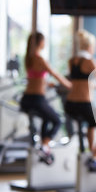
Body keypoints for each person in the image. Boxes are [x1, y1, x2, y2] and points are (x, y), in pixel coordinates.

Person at [64, 29, 96, 172]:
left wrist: (90, 85)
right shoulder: (90, 61)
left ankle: (91, 150)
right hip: (83, 104)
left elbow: (77, 80)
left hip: (70, 104)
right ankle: (94, 158)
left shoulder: (72, 61)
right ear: (91, 47)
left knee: (92, 122)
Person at [20, 32, 72, 165]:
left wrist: (47, 83)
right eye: (44, 41)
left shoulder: (29, 58)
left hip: (26, 99)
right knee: (57, 120)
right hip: (36, 99)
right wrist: (70, 85)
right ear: (40, 43)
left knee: (46, 117)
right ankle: (44, 146)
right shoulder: (40, 59)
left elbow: (35, 78)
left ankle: (44, 146)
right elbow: (55, 73)